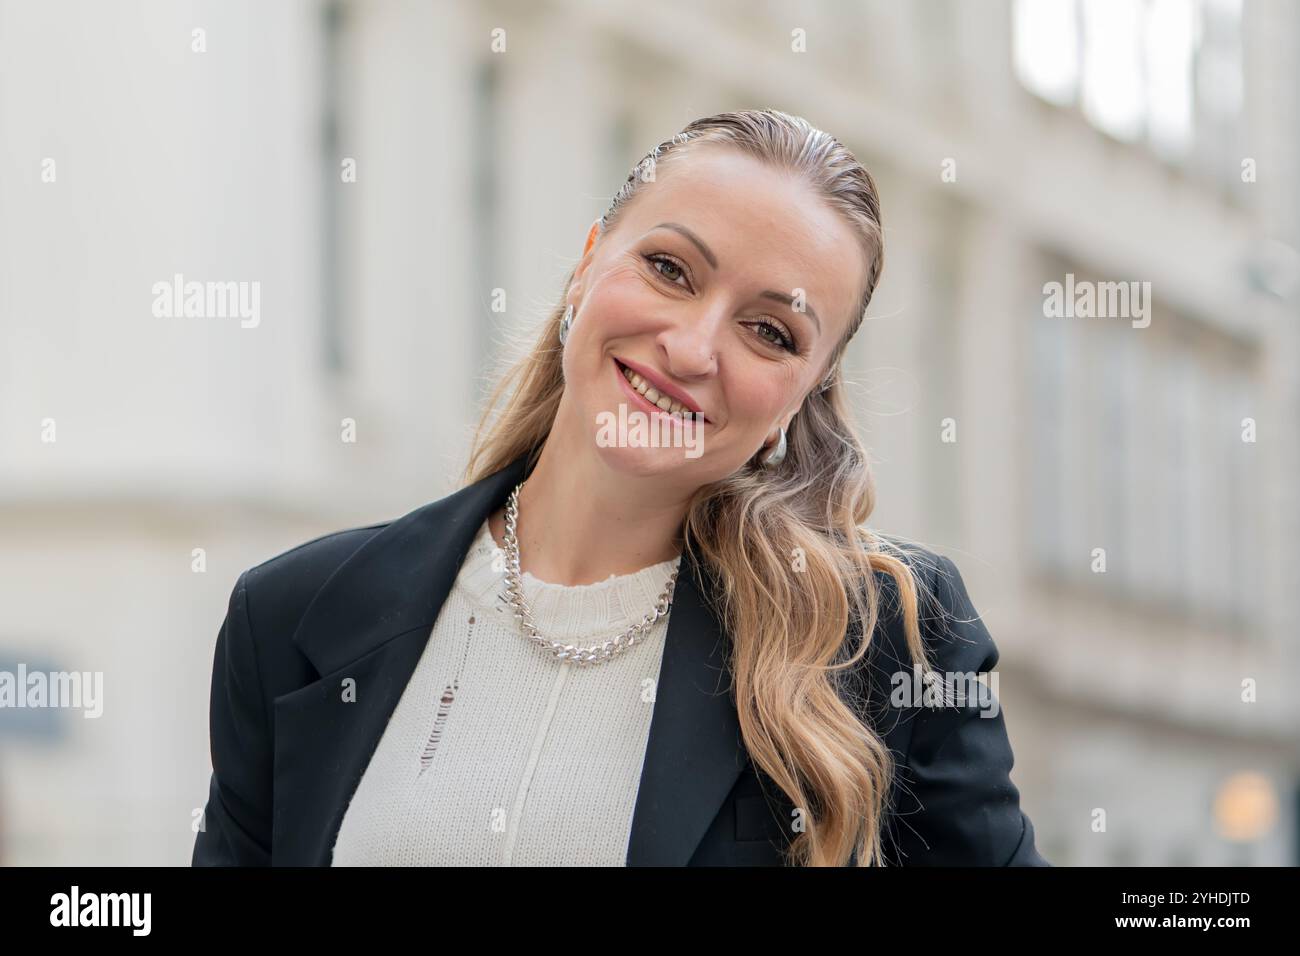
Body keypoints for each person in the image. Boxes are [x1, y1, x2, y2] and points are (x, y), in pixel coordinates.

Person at [193, 108, 1048, 867]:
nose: (691, 348)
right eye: (671, 269)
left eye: (769, 331)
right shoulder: (295, 618)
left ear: (805, 393)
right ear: (587, 266)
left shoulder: (882, 642)